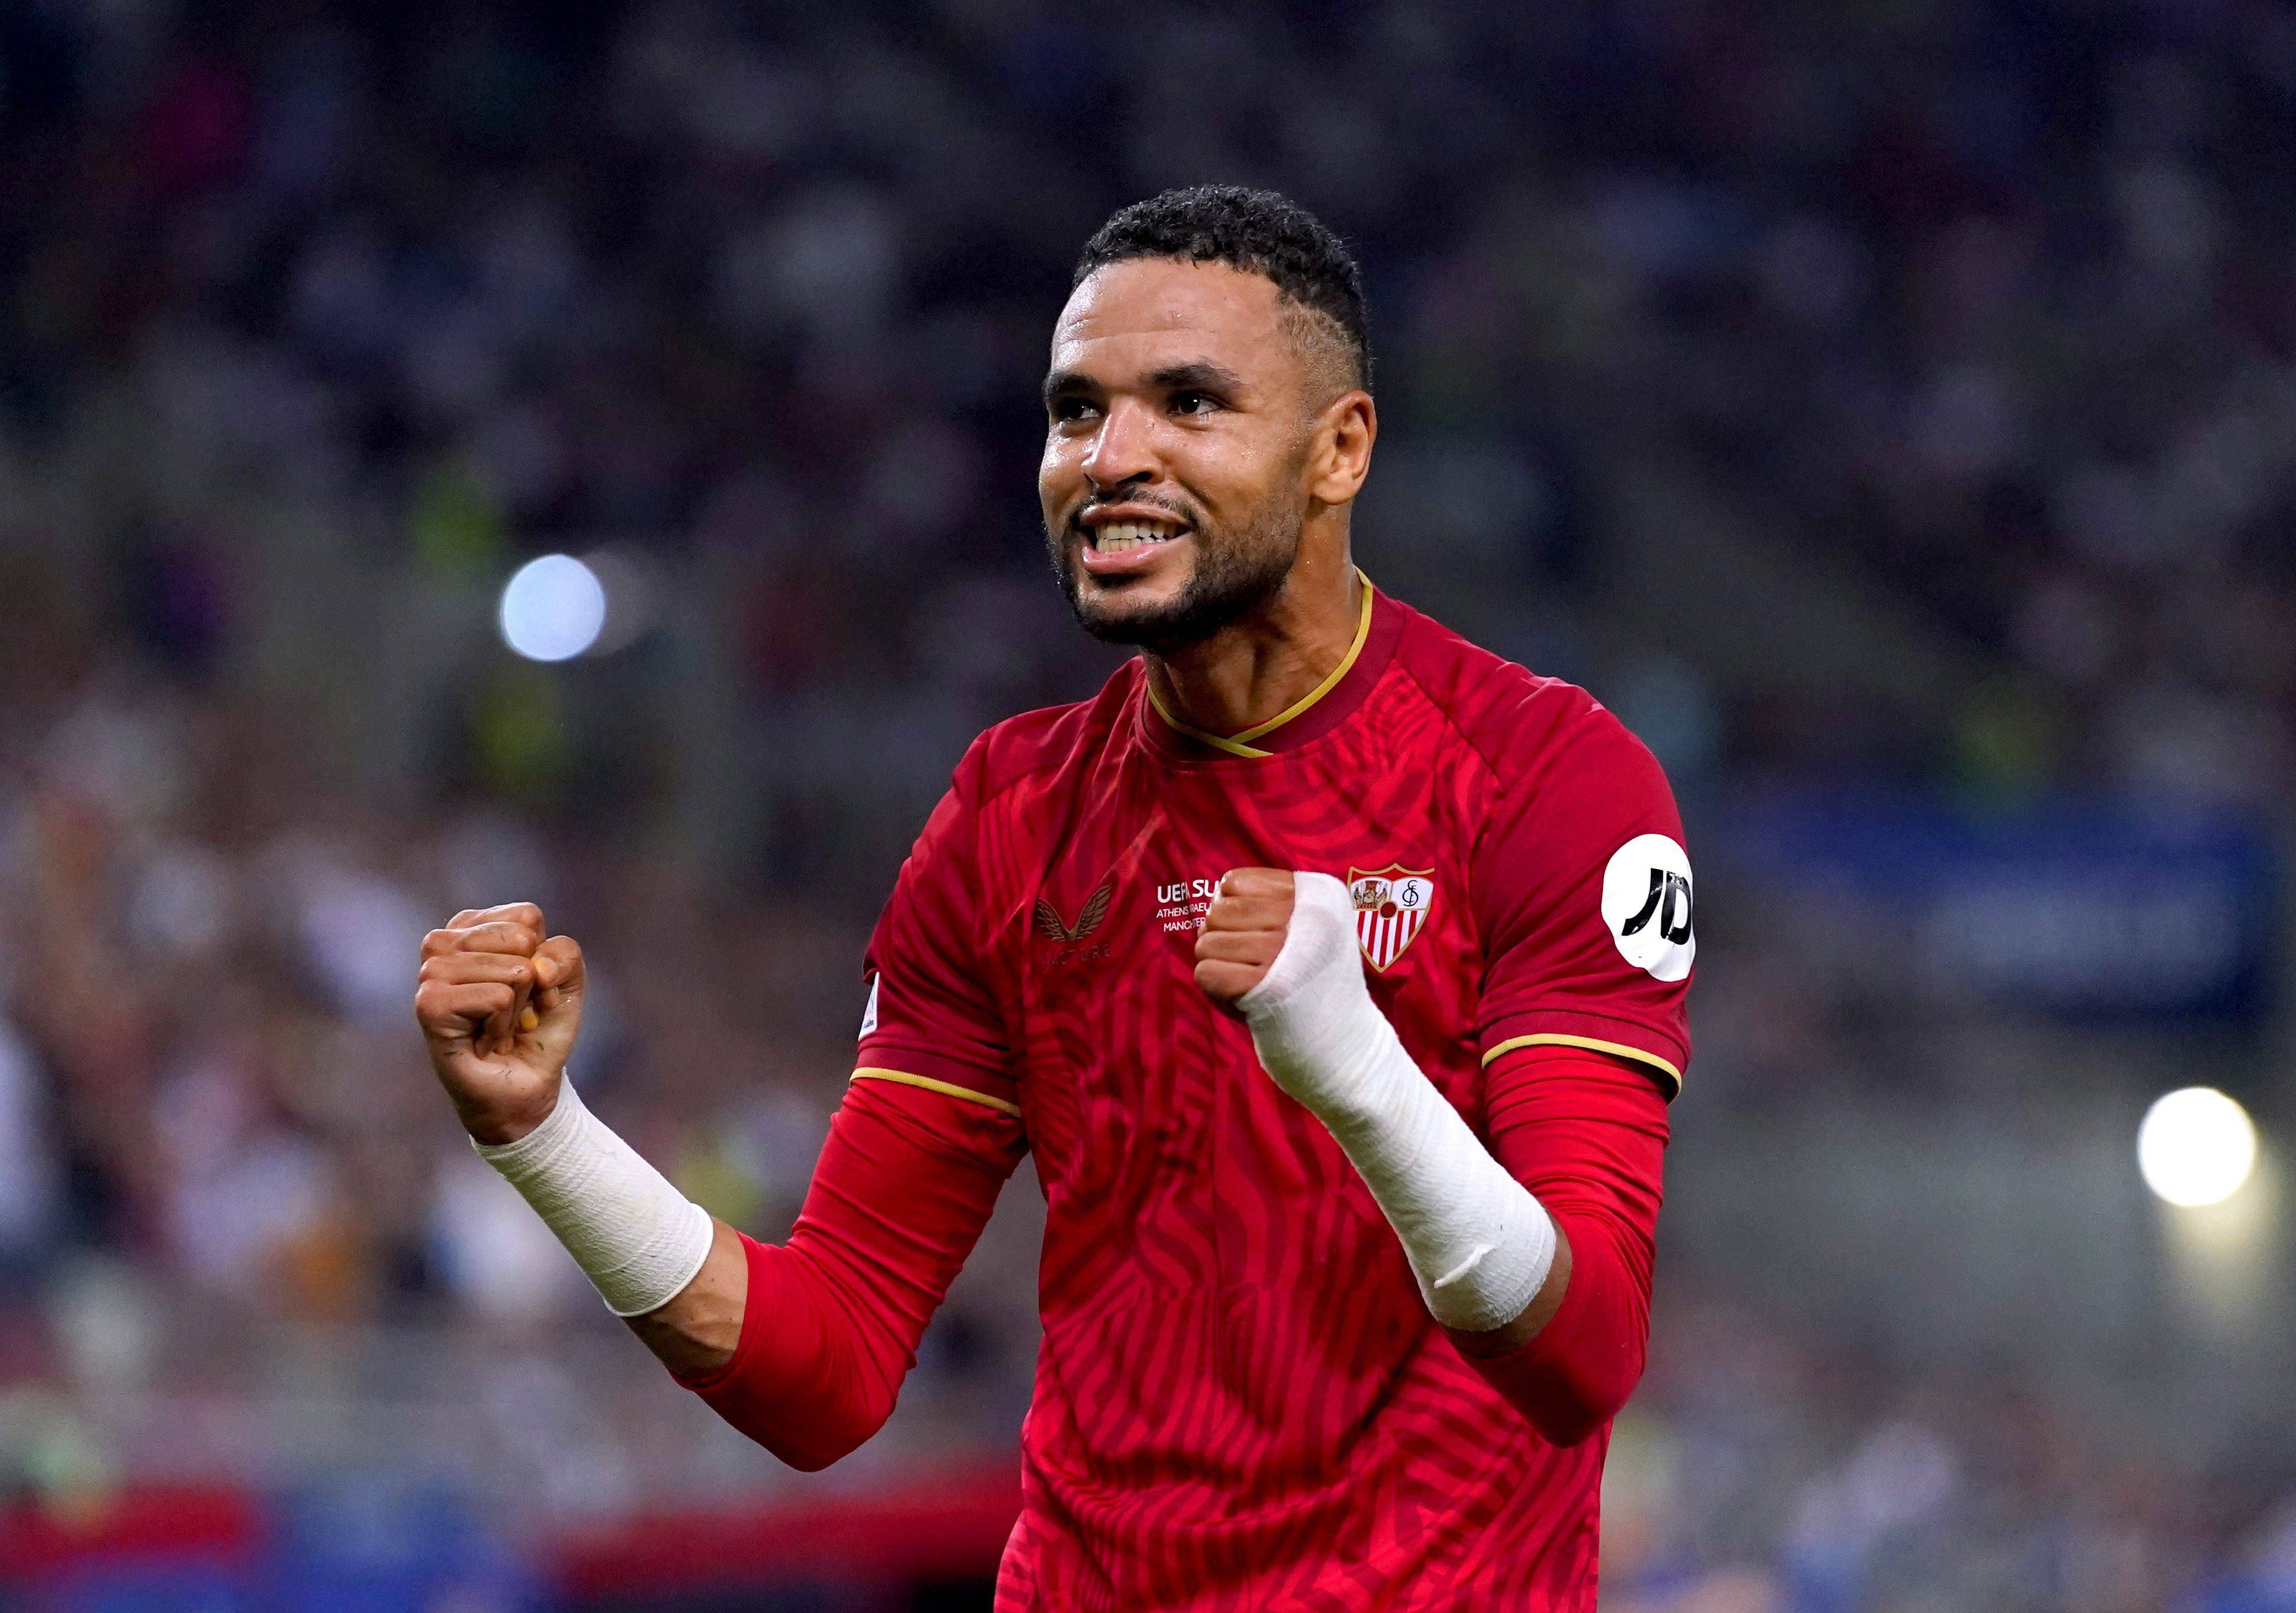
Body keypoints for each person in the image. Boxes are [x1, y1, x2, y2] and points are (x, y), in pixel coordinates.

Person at [414, 185, 1693, 1610]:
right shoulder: (1010, 817)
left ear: (1341, 450)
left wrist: (1354, 1068)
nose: (1112, 457)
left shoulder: (1545, 778)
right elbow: (823, 1369)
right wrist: (542, 1136)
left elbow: (1585, 1354)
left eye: (1188, 404)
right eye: (1077, 410)